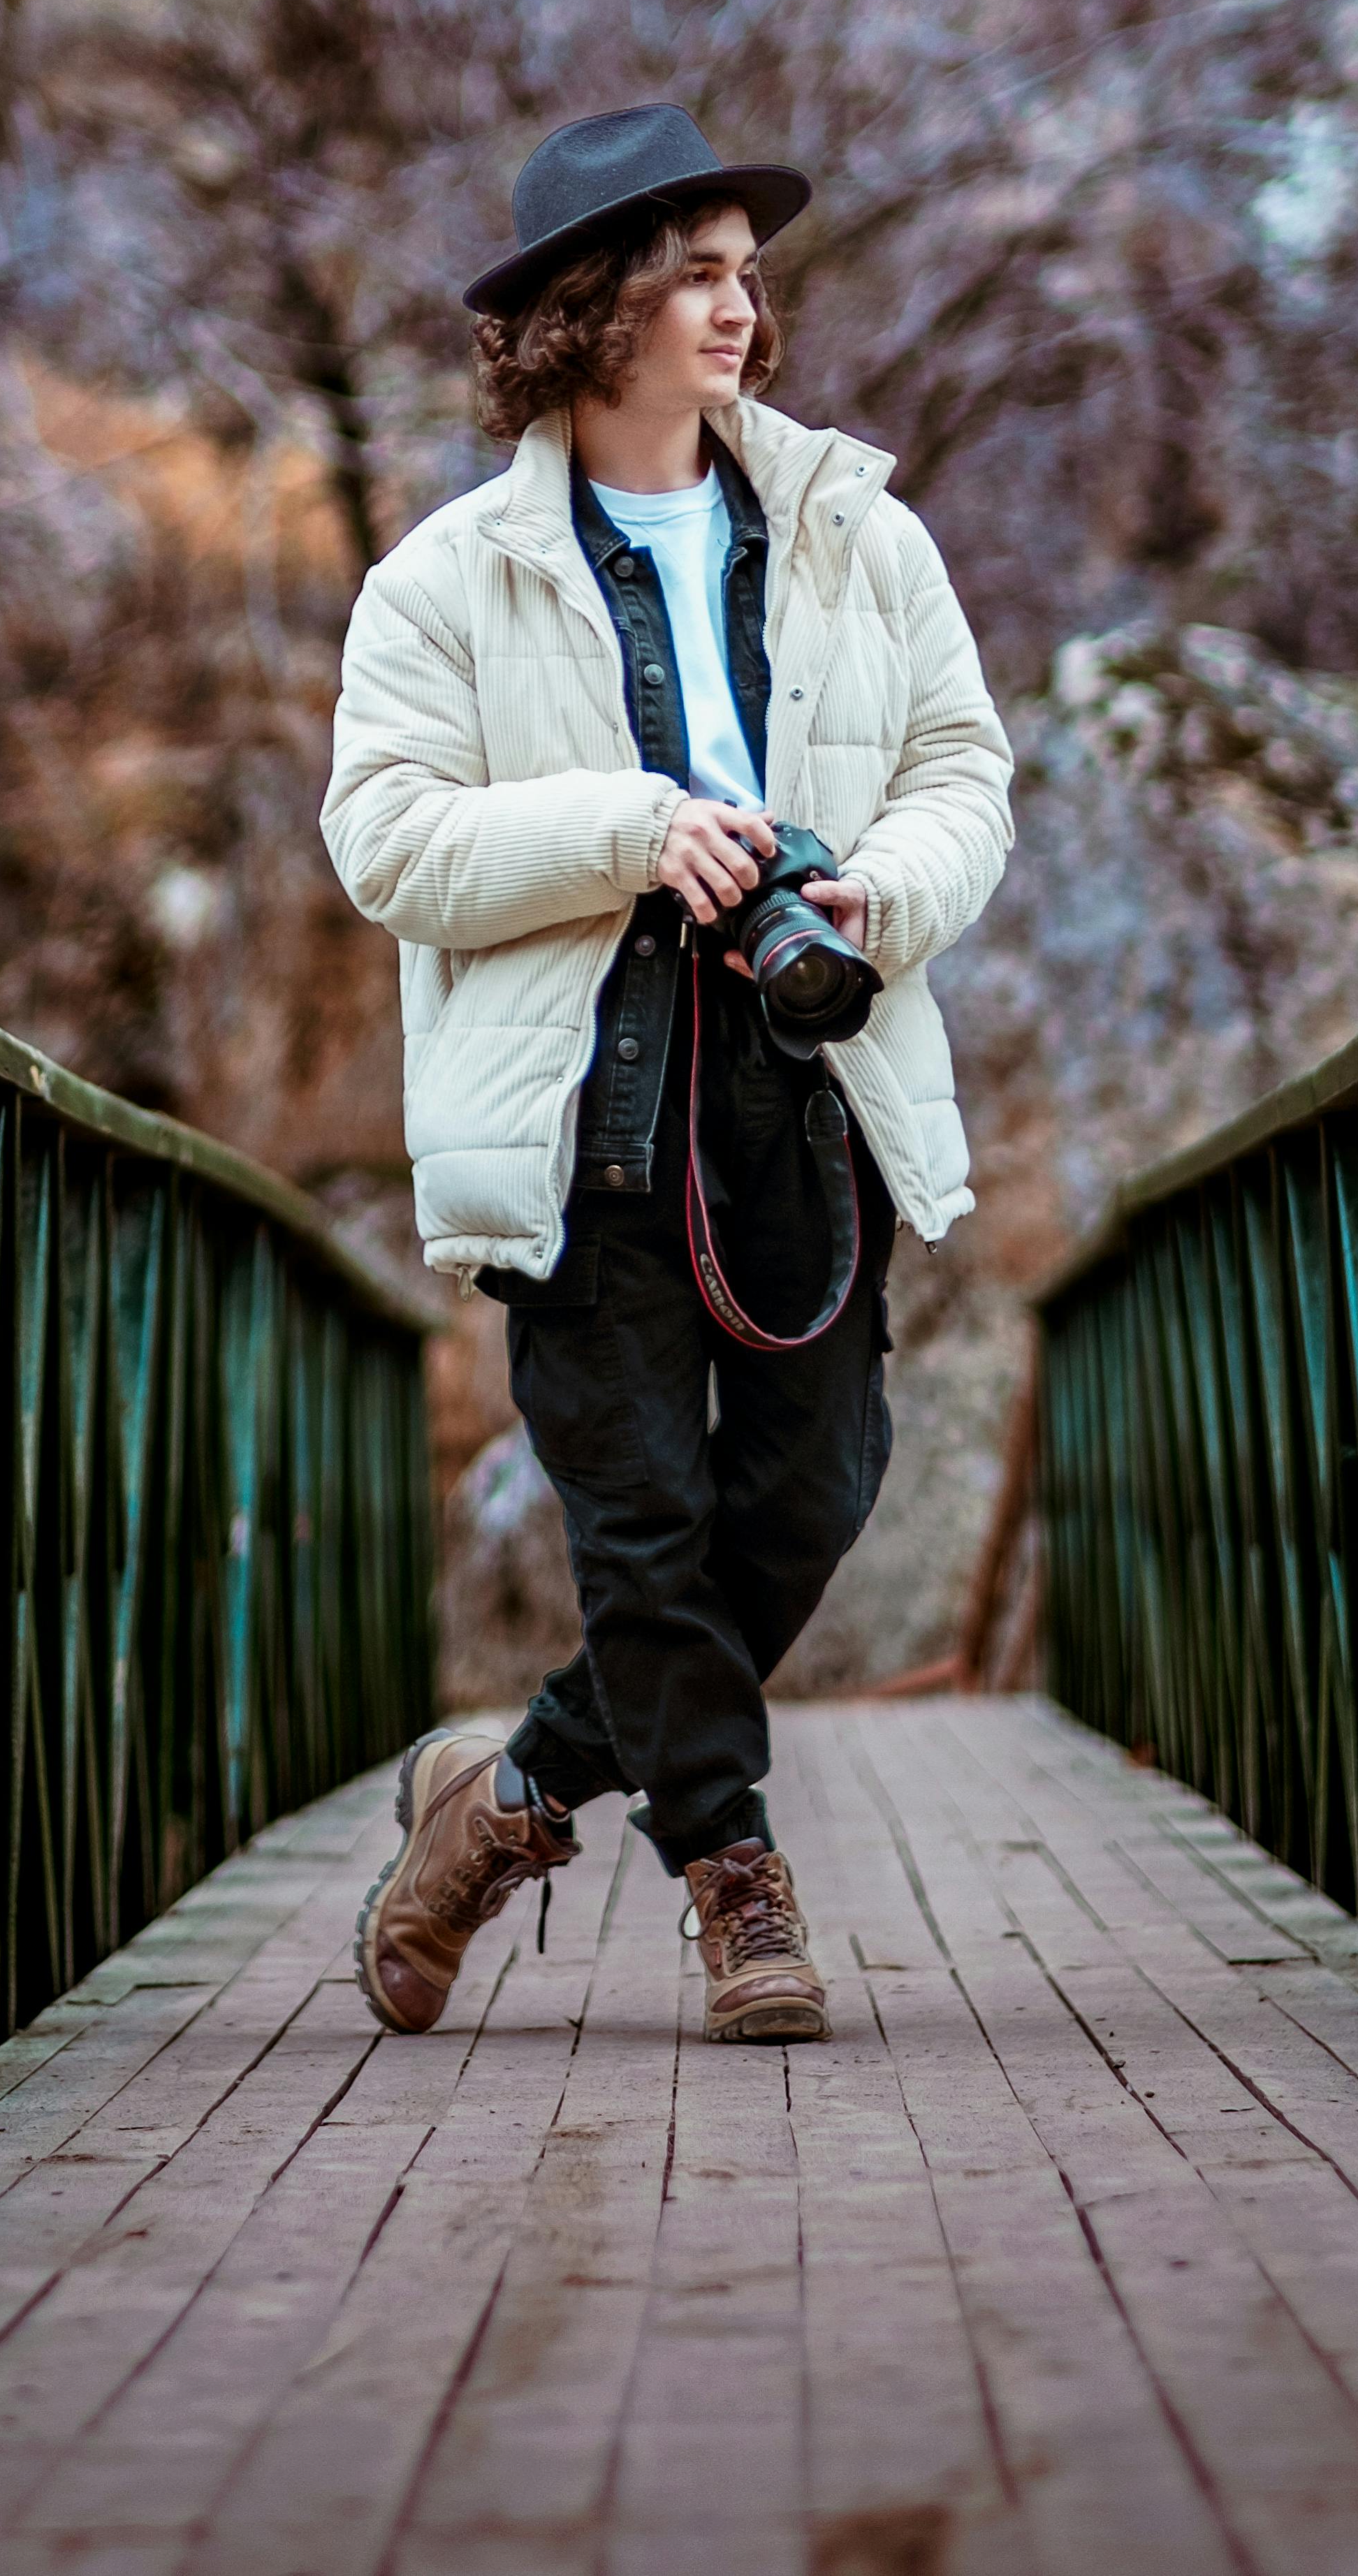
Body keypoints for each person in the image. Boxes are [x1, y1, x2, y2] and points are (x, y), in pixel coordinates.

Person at [321, 103, 1014, 2043]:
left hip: (808, 1069)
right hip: (580, 1095)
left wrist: (888, 889)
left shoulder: (861, 536)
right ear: (588, 309)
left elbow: (969, 771)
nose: (742, 302)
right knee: (641, 1528)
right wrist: (631, 831)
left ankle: (511, 1798)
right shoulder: (445, 583)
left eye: (746, 267)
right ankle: (735, 1881)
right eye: (695, 269)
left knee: (816, 1483)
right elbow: (384, 842)